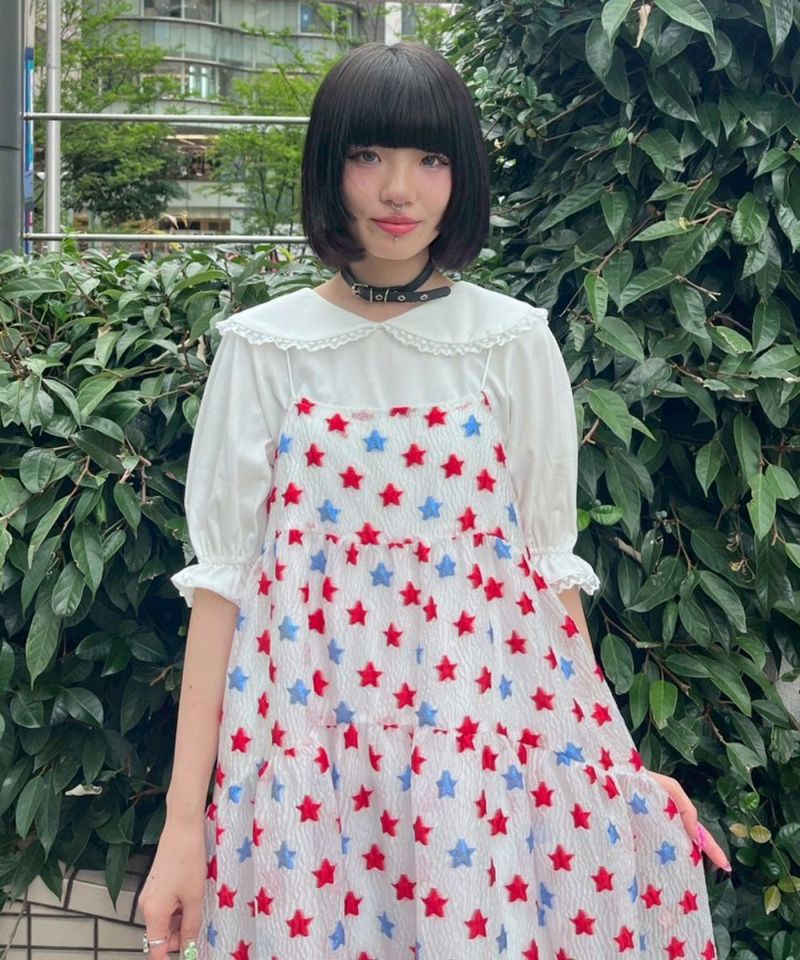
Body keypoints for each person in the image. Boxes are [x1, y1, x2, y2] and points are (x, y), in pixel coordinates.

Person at [139, 41, 729, 960]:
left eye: (430, 159)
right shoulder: (264, 348)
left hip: (475, 766)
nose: (397, 190)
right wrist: (184, 828)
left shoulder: (509, 341)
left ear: (464, 175)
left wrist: (616, 770)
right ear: (329, 169)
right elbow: (222, 590)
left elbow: (545, 580)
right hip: (308, 765)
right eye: (367, 156)